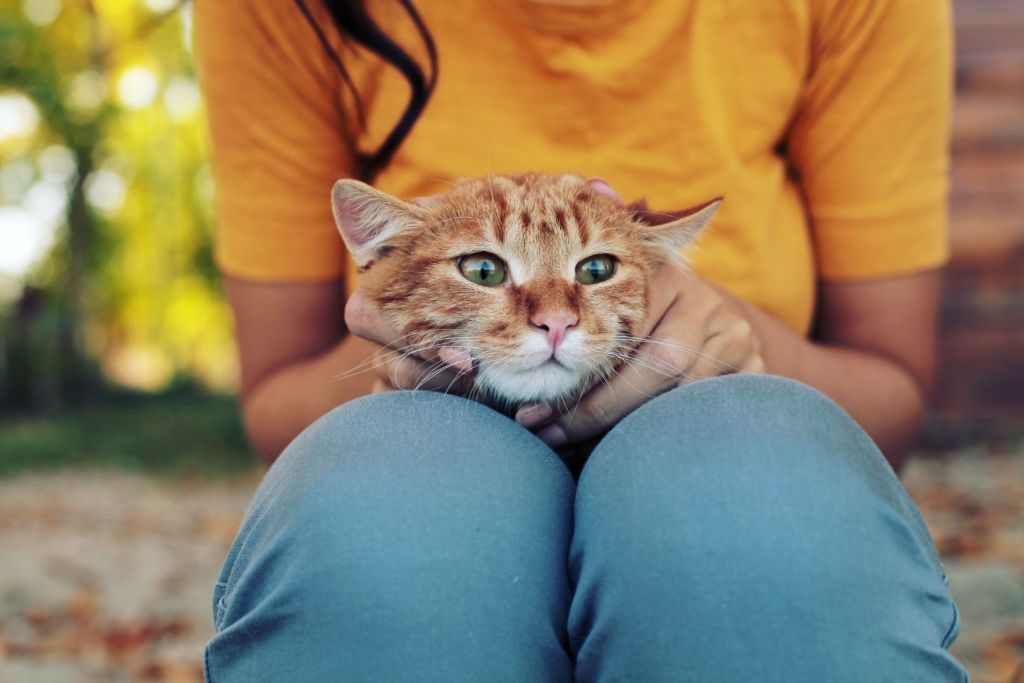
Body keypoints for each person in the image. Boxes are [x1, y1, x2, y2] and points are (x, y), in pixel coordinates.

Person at [195, 1, 967, 680]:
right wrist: (407, 359)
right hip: (417, 427)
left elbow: (892, 388)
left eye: (591, 271)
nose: (552, 313)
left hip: (721, 415)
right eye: (490, 269)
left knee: (753, 485)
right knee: (383, 512)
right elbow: (274, 396)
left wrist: (739, 343)